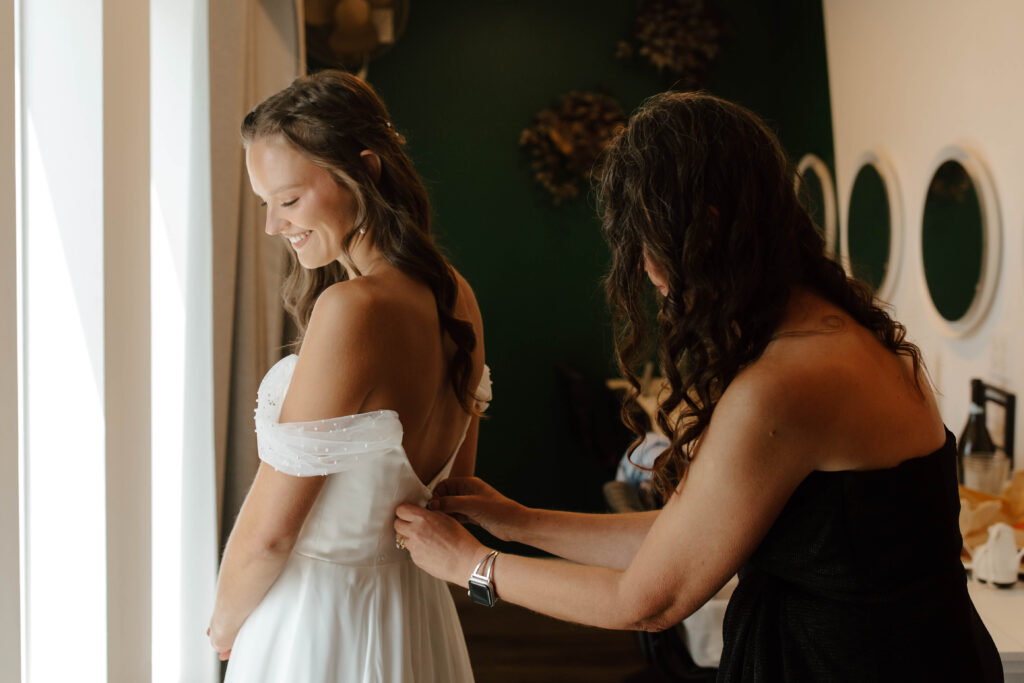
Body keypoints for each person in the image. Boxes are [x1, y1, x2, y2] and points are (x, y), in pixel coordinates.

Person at [394, 91, 1003, 681]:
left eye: (643, 245)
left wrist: (470, 565)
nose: (648, 274)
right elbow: (686, 534)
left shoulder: (785, 385)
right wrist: (518, 521)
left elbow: (649, 600)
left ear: (705, 232)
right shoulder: (840, 332)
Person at [207, 70, 488, 682]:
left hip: (316, 623)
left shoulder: (352, 308)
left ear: (364, 170)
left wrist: (224, 626)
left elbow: (270, 535)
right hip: (413, 614)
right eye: (265, 205)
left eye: (288, 200)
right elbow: (454, 494)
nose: (272, 227)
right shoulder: (455, 295)